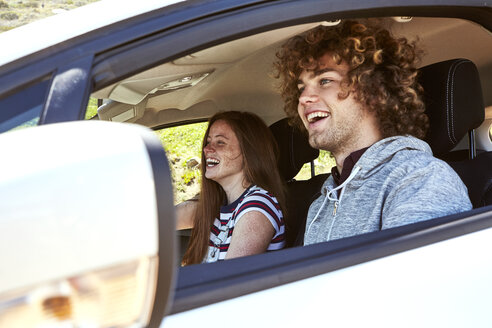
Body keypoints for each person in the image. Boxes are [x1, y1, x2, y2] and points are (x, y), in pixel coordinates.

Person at [274, 19, 472, 245]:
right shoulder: (322, 201)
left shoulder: (420, 179)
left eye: (325, 80)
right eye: (301, 88)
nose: (303, 98)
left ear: (375, 92)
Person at [177, 111, 286, 265]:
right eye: (208, 142)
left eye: (220, 142)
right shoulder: (217, 204)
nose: (207, 149)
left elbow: (227, 282)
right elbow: (155, 222)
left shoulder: (257, 207)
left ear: (249, 151)